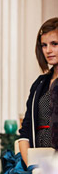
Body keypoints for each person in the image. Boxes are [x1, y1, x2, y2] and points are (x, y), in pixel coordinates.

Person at [19, 17, 58, 165]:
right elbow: (25, 130)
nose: (48, 50)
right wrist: (33, 167)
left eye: (54, 44)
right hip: (39, 161)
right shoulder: (40, 83)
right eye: (44, 45)